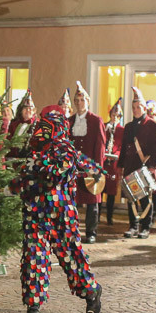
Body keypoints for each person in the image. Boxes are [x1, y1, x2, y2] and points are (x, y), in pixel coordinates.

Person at [10, 109, 103, 313]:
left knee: (71, 258)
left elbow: (57, 174)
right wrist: (16, 183)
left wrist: (36, 169)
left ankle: (91, 293)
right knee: (34, 257)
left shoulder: (66, 150)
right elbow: (22, 180)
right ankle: (33, 304)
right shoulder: (34, 152)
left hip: (61, 216)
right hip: (35, 214)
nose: (42, 130)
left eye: (48, 126)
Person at [116, 87, 156, 238]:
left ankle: (145, 227)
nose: (135, 110)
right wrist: (120, 166)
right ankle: (133, 226)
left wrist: (152, 166)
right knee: (131, 197)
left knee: (145, 198)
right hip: (130, 165)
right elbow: (123, 148)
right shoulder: (128, 127)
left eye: (138, 107)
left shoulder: (153, 125)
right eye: (133, 108)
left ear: (144, 108)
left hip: (145, 166)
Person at [67, 83, 106, 243]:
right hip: (73, 167)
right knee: (72, 200)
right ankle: (73, 230)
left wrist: (97, 168)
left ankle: (91, 232)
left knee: (92, 201)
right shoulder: (69, 121)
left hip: (90, 166)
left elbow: (101, 145)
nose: (79, 103)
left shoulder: (96, 120)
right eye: (77, 100)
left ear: (88, 101)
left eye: (82, 100)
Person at [101, 98, 124, 226]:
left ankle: (109, 217)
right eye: (113, 115)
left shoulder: (122, 130)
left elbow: (122, 147)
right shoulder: (105, 127)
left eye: (118, 116)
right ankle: (97, 215)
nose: (115, 118)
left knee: (111, 192)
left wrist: (116, 154)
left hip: (114, 164)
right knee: (99, 189)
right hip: (103, 162)